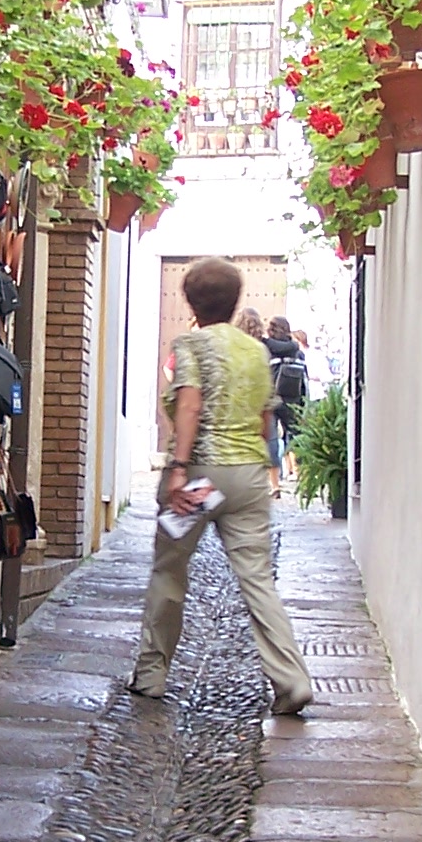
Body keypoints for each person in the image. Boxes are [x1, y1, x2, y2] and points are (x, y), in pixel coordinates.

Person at [133, 257, 314, 714]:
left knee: (170, 568)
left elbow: (190, 406)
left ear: (191, 301)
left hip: (199, 478)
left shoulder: (191, 343)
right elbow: (265, 421)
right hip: (249, 478)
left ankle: (152, 674)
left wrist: (178, 468)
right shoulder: (256, 351)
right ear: (234, 302)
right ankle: (291, 680)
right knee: (256, 578)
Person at [262, 314, 308, 492]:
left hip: (272, 398)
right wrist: (303, 402)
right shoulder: (297, 351)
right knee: (297, 438)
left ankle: (274, 484)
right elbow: (304, 379)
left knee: (272, 440)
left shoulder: (267, 349)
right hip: (293, 399)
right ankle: (303, 477)